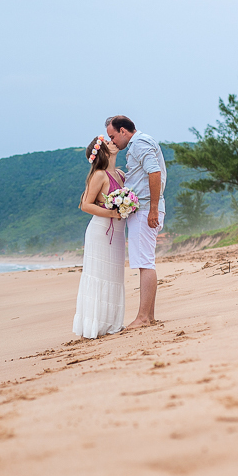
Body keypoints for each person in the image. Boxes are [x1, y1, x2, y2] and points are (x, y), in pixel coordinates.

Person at [106, 115, 166, 327]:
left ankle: (143, 317)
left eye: (113, 136)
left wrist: (153, 209)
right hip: (144, 208)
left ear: (123, 131)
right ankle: (148, 316)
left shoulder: (139, 143)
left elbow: (155, 172)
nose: (112, 141)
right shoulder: (138, 144)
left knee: (144, 262)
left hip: (146, 209)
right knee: (144, 261)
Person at [72, 135, 126, 339]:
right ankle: (95, 324)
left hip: (118, 233)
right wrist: (112, 213)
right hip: (101, 232)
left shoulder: (120, 174)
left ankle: (112, 323)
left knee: (114, 276)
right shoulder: (99, 175)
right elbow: (86, 204)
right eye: (109, 143)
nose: (114, 143)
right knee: (99, 275)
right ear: (103, 152)